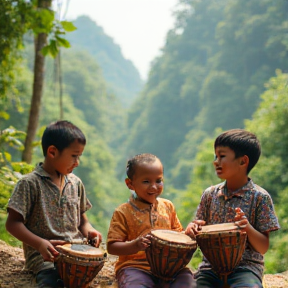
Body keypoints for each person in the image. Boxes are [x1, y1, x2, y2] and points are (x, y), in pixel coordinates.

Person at [6, 120, 102, 288]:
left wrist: (90, 231)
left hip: (77, 252)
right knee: (53, 281)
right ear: (52, 152)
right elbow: (12, 223)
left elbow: (82, 220)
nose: (77, 162)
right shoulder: (30, 184)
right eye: (74, 156)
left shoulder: (76, 183)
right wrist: (39, 243)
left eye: (79, 156)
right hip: (46, 257)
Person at [185, 129, 280, 288]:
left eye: (222, 156)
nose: (216, 161)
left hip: (246, 268)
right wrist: (191, 229)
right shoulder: (209, 195)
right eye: (215, 156)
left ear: (243, 161)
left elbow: (263, 247)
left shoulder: (260, 197)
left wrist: (247, 228)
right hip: (209, 269)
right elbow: (197, 231)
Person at [107, 153, 196, 288]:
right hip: (136, 267)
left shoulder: (168, 206)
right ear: (130, 184)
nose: (154, 187)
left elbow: (178, 235)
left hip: (171, 267)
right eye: (146, 181)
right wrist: (135, 245)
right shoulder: (123, 212)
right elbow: (112, 247)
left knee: (189, 283)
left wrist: (188, 234)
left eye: (158, 181)